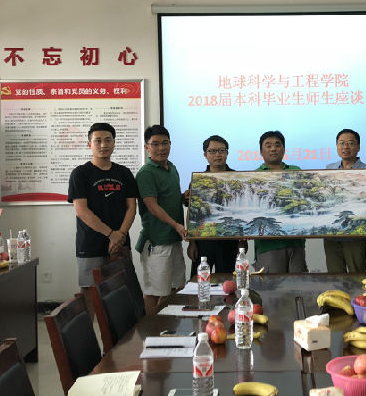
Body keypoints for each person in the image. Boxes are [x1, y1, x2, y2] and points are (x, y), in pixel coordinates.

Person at [68, 122, 138, 312]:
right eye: (97, 140)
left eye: (108, 140)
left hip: (120, 244)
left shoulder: (124, 173)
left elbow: (131, 208)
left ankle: (121, 334)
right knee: (89, 294)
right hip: (91, 245)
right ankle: (87, 332)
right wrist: (110, 234)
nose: (103, 144)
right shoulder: (80, 173)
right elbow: (82, 211)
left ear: (114, 143)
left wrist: (120, 235)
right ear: (89, 144)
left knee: (122, 292)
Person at [136, 125, 187, 315]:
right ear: (146, 147)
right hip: (156, 242)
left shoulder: (171, 168)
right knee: (154, 292)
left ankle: (166, 327)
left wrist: (183, 197)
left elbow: (169, 199)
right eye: (155, 144)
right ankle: (150, 329)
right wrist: (175, 225)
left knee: (175, 288)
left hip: (173, 239)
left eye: (165, 143)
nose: (161, 148)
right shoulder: (146, 173)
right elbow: (152, 205)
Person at [187, 135, 247, 277]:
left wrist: (242, 241)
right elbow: (192, 214)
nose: (218, 155)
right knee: (199, 281)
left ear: (227, 153)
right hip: (203, 241)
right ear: (205, 154)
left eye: (221, 150)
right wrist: (192, 243)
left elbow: (242, 211)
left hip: (230, 240)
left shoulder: (238, 179)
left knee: (228, 281)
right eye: (213, 151)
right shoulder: (198, 180)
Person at [253, 130, 307, 273]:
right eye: (268, 145)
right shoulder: (254, 176)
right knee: (270, 283)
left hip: (296, 241)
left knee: (298, 283)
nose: (273, 149)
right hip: (268, 245)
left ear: (284, 149)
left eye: (277, 145)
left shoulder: (296, 171)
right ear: (261, 151)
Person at [323, 129, 366, 273]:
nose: (345, 147)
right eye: (341, 143)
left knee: (357, 274)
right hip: (332, 233)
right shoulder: (329, 169)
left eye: (350, 143)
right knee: (334, 274)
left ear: (358, 147)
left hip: (356, 233)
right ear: (337, 146)